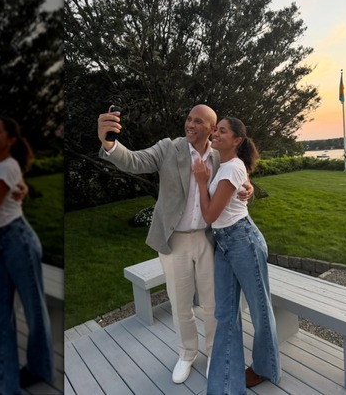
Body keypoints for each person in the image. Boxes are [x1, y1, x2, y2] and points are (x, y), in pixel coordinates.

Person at [97, 104, 252, 384]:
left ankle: (213, 354)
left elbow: (236, 180)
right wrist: (108, 142)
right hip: (175, 241)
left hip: (208, 239)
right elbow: (134, 161)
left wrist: (247, 189)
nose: (190, 125)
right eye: (188, 119)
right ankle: (186, 353)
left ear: (211, 129)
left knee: (212, 303)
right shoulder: (169, 148)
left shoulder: (219, 156)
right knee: (180, 304)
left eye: (198, 122)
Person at [192, 117, 280, 394]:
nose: (215, 134)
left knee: (259, 309)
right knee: (224, 313)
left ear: (237, 141)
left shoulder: (231, 167)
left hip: (243, 242)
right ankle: (226, 383)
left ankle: (265, 368)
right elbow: (240, 181)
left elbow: (209, 215)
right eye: (215, 130)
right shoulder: (226, 164)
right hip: (224, 245)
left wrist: (200, 181)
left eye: (222, 131)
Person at [0, 116, 53, 395]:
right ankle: (2, 385)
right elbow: (9, 192)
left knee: (34, 310)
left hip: (18, 243)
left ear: (11, 140)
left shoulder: (6, 167)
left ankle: (39, 368)